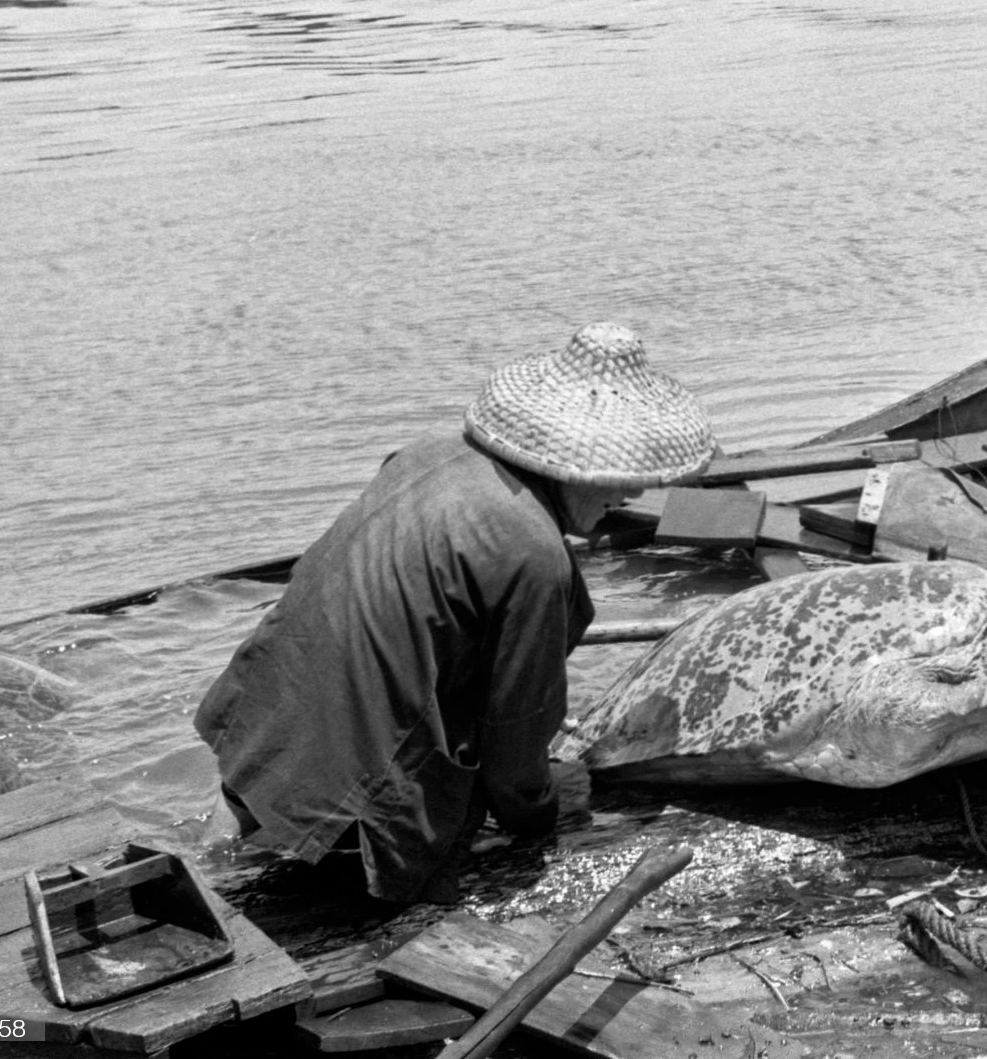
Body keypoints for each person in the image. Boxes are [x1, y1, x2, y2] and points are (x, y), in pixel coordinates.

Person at [195, 324, 713, 905]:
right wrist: (546, 804)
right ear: (575, 467)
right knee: (439, 858)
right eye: (624, 477)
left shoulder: (424, 453)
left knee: (220, 855)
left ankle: (207, 863)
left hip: (261, 712)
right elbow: (516, 731)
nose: (630, 496)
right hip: (354, 757)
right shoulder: (535, 555)